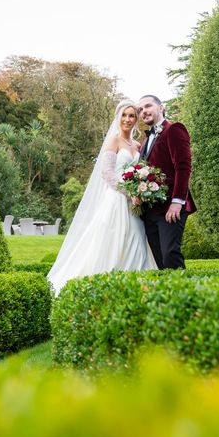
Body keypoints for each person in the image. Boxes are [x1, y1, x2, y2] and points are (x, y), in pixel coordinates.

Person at [47, 99, 157, 294]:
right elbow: (107, 174)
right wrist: (130, 192)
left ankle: (133, 287)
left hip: (133, 204)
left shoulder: (137, 145)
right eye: (124, 115)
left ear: (136, 119)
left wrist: (140, 190)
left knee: (136, 239)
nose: (127, 119)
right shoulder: (114, 140)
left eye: (131, 115)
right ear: (118, 117)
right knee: (111, 241)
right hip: (116, 200)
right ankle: (99, 287)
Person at [138, 95, 196, 269]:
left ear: (161, 107)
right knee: (160, 261)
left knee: (170, 255)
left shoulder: (174, 130)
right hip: (150, 210)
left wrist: (177, 201)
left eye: (148, 106)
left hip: (171, 207)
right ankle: (169, 295)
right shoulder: (145, 141)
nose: (143, 111)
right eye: (140, 109)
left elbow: (183, 167)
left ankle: (187, 294)